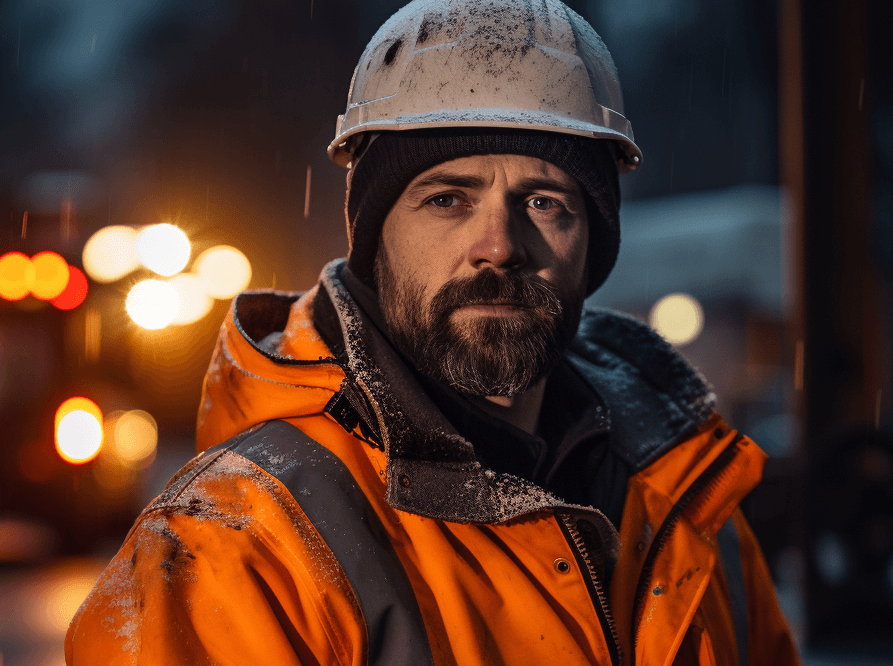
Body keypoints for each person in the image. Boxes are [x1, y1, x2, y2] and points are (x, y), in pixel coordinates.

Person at [66, 0, 800, 664]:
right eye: (448, 198)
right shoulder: (237, 546)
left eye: (544, 201)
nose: (499, 245)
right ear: (374, 238)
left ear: (595, 244)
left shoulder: (691, 507)